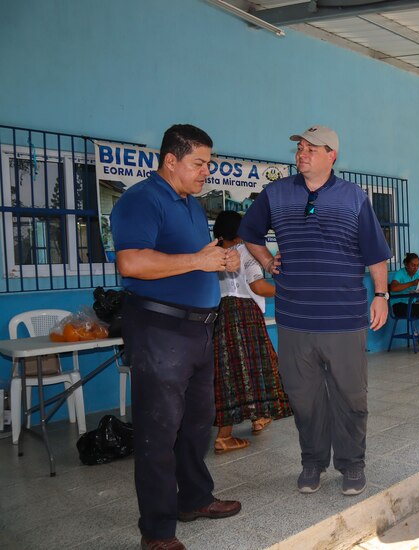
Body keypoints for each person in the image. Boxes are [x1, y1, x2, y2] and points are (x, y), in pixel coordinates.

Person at [238, 125, 391, 497]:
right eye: (300, 148)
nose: (302, 153)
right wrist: (267, 259)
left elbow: (375, 253)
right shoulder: (276, 194)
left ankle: (352, 465)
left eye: (312, 148)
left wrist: (382, 294)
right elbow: (249, 232)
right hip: (294, 319)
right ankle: (312, 462)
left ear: (331, 155)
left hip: (344, 319)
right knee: (303, 398)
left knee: (350, 396)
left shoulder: (354, 197)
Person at [111, 124, 242, 550]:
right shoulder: (141, 200)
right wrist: (198, 259)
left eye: (209, 162)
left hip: (199, 330)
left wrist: (221, 259)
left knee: (197, 424)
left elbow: (192, 263)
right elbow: (131, 262)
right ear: (171, 160)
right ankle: (158, 529)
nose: (208, 171)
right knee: (158, 431)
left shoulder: (188, 204)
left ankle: (195, 499)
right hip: (160, 329)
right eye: (199, 163)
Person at [211, 211, 292, 454]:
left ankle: (257, 418)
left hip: (220, 313)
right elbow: (257, 285)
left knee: (229, 371)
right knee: (257, 366)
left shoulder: (212, 251)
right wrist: (287, 292)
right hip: (244, 313)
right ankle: (224, 437)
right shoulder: (245, 250)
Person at [389, 252, 419, 349]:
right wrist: (412, 283)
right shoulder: (400, 273)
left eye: (417, 265)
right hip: (399, 306)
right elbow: (393, 288)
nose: (415, 268)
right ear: (406, 264)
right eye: (412, 265)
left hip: (412, 304)